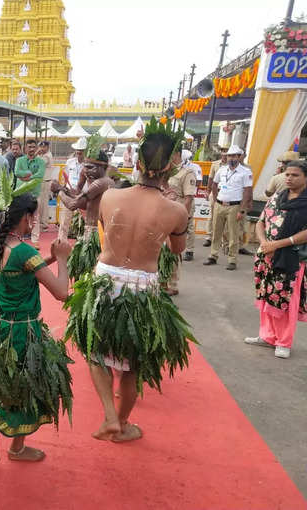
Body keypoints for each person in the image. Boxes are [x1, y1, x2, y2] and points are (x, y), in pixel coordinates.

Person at [65, 117, 195, 443]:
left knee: (96, 352)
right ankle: (121, 426)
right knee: (133, 363)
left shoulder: (110, 196)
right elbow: (177, 249)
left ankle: (109, 415)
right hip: (143, 285)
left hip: (106, 277)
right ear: (170, 167)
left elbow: (108, 232)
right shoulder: (176, 211)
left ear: (136, 162)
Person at [0, 192, 73, 463]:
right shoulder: (24, 251)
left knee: (22, 385)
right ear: (27, 218)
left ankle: (17, 447)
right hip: (22, 333)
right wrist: (62, 258)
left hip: (1, 326)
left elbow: (27, 271)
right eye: (35, 217)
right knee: (24, 387)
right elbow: (62, 292)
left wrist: (48, 260)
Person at [245, 159, 307, 359]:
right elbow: (260, 222)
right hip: (267, 255)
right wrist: (264, 243)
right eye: (287, 174)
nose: (289, 178)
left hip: (292, 258)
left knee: (286, 300)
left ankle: (284, 342)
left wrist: (277, 245)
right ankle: (267, 336)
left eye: (295, 175)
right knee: (267, 295)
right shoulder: (277, 198)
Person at [54, 135, 113, 280]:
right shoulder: (103, 181)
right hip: (96, 232)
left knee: (88, 274)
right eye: (85, 167)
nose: (86, 170)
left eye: (90, 167)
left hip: (95, 233)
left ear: (104, 167)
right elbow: (79, 197)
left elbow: (73, 204)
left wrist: (58, 191)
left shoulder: (99, 184)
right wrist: (66, 187)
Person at [203, 145, 253, 271]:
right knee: (216, 232)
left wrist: (242, 209)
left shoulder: (245, 172)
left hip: (234, 206)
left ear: (239, 157)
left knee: (233, 234)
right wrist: (215, 200)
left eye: (234, 156)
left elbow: (247, 191)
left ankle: (232, 260)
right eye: (229, 155)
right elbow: (214, 184)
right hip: (220, 204)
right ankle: (213, 256)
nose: (231, 158)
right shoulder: (222, 170)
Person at [162, 149, 197, 296]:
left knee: (174, 251)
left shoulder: (187, 172)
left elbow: (188, 198)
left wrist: (182, 218)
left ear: (176, 153)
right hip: (164, 215)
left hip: (178, 216)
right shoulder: (166, 171)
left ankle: (173, 284)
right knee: (163, 250)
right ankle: (163, 282)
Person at [15, 140, 46, 248]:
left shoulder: (41, 162)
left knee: (35, 217)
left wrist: (26, 177)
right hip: (21, 193)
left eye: (33, 147)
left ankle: (35, 240)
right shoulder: (19, 160)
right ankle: (19, 238)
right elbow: (17, 172)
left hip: (35, 193)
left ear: (36, 148)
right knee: (20, 216)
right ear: (25, 148)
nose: (31, 149)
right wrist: (31, 174)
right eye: (29, 147)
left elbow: (40, 174)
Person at [57, 138, 86, 241]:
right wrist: (63, 189)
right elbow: (65, 177)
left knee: (84, 222)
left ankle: (83, 243)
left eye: (81, 150)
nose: (79, 152)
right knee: (64, 221)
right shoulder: (69, 162)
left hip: (83, 196)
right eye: (78, 150)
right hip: (69, 193)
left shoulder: (88, 165)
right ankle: (61, 242)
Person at [203, 146, 228, 247]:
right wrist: (208, 191)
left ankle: (222, 239)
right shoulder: (215, 164)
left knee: (224, 217)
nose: (224, 153)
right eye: (223, 151)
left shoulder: (232, 165)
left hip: (226, 194)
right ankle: (209, 237)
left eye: (226, 151)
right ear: (221, 152)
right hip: (215, 192)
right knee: (212, 215)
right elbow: (210, 178)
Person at [180, 150, 201, 261]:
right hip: (177, 201)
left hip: (188, 198)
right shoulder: (177, 169)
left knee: (189, 226)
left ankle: (189, 250)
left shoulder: (194, 168)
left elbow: (198, 181)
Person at [37, 140, 55, 231]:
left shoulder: (47, 156)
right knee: (41, 203)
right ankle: (42, 223)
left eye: (43, 147)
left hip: (45, 182)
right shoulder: (44, 155)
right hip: (43, 181)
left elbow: (37, 163)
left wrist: (37, 152)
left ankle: (43, 224)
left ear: (47, 147)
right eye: (41, 146)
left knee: (43, 204)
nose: (42, 148)